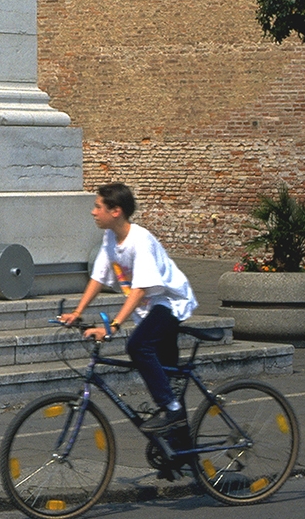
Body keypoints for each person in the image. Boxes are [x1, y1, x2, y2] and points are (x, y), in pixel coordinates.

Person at [60, 181, 197, 432]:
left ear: (116, 211)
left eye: (98, 206)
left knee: (138, 346)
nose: (93, 212)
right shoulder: (110, 237)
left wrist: (112, 327)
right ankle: (180, 457)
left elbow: (140, 289)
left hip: (170, 302)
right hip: (150, 308)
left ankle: (172, 410)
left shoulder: (140, 240)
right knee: (168, 381)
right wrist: (77, 312)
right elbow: (98, 277)